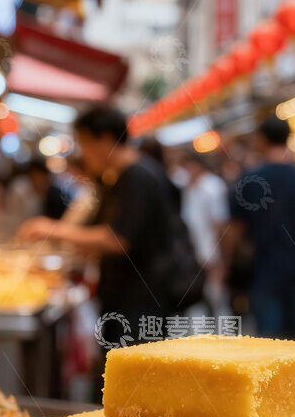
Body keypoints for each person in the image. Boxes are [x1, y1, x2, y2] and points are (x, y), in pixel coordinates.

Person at [18, 106, 176, 346]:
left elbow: (117, 239)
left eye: (84, 143)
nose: (83, 153)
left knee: (133, 375)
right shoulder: (114, 178)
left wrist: (53, 229)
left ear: (104, 140)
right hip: (121, 297)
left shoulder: (138, 177)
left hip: (142, 301)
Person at [225, 115, 295, 339]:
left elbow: (234, 230)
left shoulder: (249, 179)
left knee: (268, 341)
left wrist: (225, 264)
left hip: (263, 272)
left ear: (262, 139)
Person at [180, 150, 229, 314]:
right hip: (193, 249)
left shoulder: (212, 186)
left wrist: (220, 254)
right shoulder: (188, 187)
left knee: (214, 293)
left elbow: (220, 222)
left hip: (210, 248)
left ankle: (223, 330)